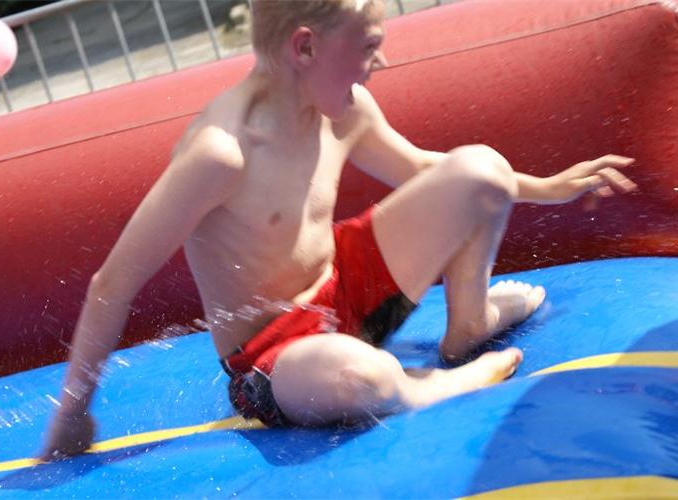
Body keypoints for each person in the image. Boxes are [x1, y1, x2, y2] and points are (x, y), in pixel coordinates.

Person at [41, 0, 637, 458]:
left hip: (352, 287)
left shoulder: (344, 110)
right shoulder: (221, 154)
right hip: (277, 357)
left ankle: (469, 323)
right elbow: (112, 283)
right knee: (360, 376)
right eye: (369, 47)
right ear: (305, 47)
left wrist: (546, 187)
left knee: (481, 169)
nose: (381, 63)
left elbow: (426, 170)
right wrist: (72, 413)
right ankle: (432, 385)